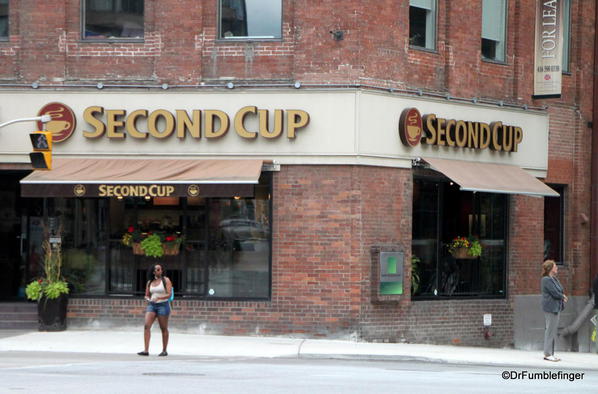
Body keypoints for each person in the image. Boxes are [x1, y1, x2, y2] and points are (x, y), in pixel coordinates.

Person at [138, 263, 172, 357]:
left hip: (163, 305)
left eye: (160, 269)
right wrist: (148, 298)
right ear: (153, 271)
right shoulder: (150, 282)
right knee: (146, 326)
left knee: (163, 328)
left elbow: (169, 294)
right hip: (152, 305)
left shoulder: (166, 280)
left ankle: (164, 350)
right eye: (157, 269)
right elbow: (147, 294)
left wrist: (159, 299)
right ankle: (146, 350)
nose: (160, 271)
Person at [541, 259, 568, 362]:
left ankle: (550, 353)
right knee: (550, 330)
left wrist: (562, 295)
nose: (556, 268)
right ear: (550, 268)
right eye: (555, 266)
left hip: (556, 307)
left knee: (552, 330)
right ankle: (547, 354)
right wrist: (562, 296)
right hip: (550, 308)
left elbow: (559, 290)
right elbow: (555, 293)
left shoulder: (554, 279)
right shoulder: (546, 279)